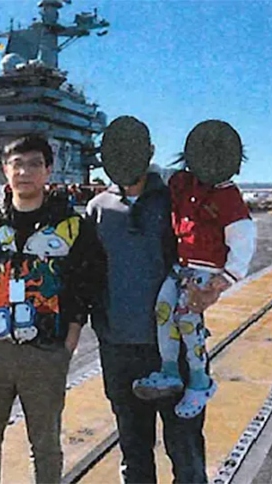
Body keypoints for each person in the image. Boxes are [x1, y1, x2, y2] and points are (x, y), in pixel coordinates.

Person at [0, 134, 106, 483]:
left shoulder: (71, 226)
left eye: (35, 164)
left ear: (48, 170)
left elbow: (86, 284)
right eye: (17, 164)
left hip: (45, 352)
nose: (25, 172)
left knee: (46, 444)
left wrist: (69, 340)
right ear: (5, 170)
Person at [87, 115, 226, 483]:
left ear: (149, 151)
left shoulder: (176, 201)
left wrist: (214, 286)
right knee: (134, 451)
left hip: (174, 350)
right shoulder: (97, 209)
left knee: (186, 451)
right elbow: (90, 274)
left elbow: (215, 244)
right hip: (119, 349)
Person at [131, 120, 257, 420]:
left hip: (206, 271)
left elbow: (243, 237)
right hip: (181, 268)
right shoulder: (183, 182)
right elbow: (160, 174)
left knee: (188, 321)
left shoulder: (227, 195)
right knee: (163, 312)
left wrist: (226, 279)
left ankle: (200, 381)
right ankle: (170, 371)